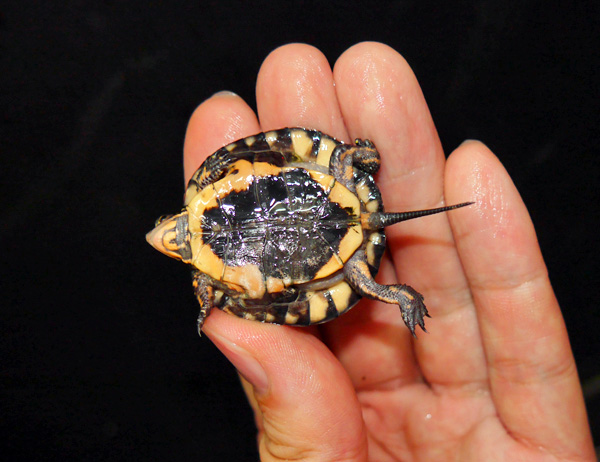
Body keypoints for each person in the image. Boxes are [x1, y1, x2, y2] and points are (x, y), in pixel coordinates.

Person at [182, 43, 595, 461]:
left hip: (329, 218)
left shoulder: (208, 234)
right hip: (333, 219)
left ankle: (401, 294)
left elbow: (265, 165)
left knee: (358, 275)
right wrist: (357, 158)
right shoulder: (209, 234)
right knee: (359, 276)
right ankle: (401, 294)